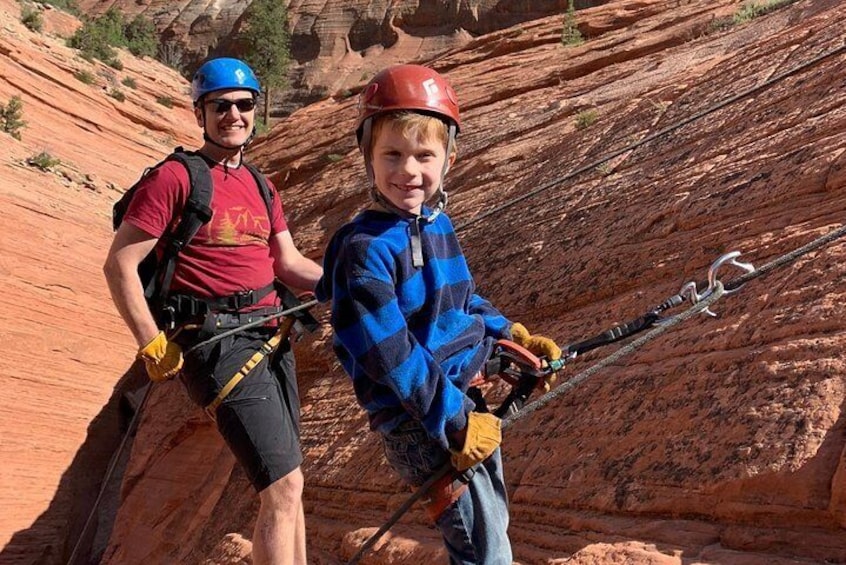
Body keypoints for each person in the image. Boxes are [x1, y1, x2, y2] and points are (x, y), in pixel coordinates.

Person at [315, 64, 562, 564]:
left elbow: (463, 301)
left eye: (424, 155)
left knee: (492, 534)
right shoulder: (364, 250)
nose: (409, 171)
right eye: (392, 154)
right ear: (368, 158)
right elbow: (393, 355)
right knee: (482, 552)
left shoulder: (436, 224)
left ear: (448, 159)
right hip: (421, 421)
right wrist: (451, 422)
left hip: (458, 405)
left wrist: (509, 334)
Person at [103, 57, 322, 565]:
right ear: (200, 112)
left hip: (271, 334)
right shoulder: (175, 178)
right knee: (282, 486)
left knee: (292, 483)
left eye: (243, 105)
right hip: (215, 341)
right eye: (219, 105)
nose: (233, 115)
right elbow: (120, 264)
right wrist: (149, 341)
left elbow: (286, 263)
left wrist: (347, 280)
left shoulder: (263, 186)